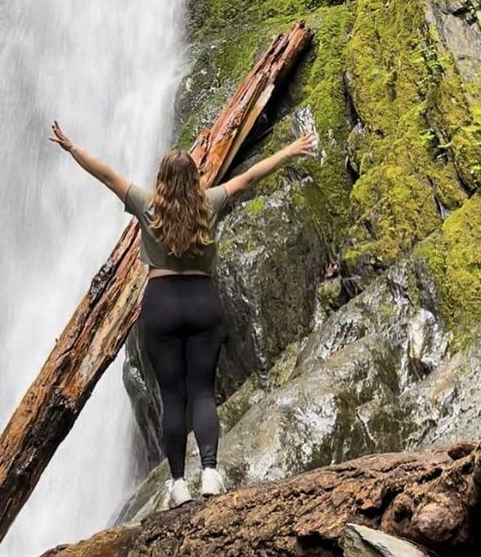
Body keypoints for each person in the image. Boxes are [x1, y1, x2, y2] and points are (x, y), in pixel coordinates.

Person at [48, 120, 318, 507]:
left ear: (161, 179)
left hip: (161, 303)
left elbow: (106, 175)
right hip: (201, 300)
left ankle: (178, 483)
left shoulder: (147, 205)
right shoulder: (209, 202)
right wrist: (290, 150)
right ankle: (209, 472)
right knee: (203, 391)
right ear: (194, 178)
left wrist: (74, 149)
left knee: (172, 397)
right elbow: (249, 178)